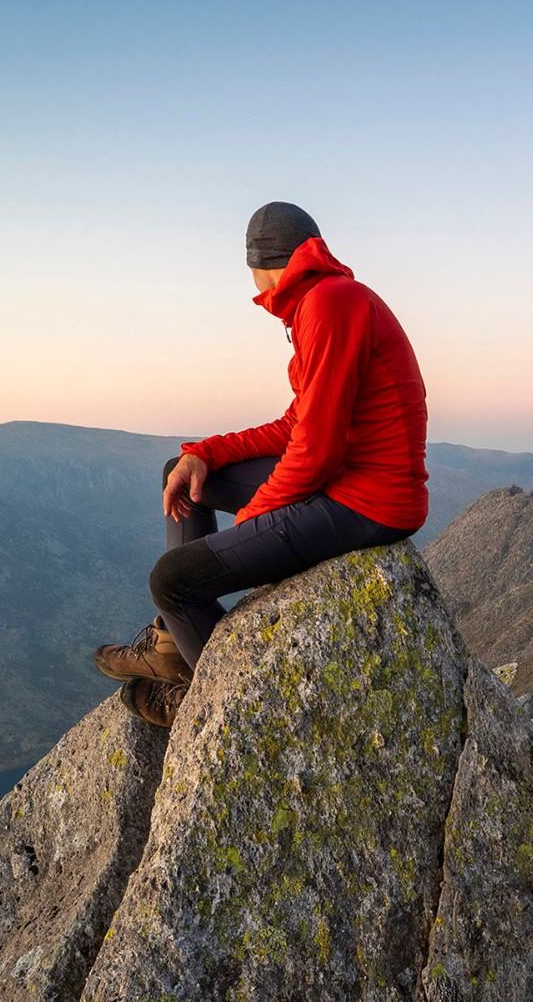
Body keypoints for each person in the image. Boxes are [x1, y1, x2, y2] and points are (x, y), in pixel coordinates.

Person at [94, 201, 429, 727]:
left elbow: (315, 452)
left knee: (173, 581)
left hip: (366, 503)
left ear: (260, 263)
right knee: (182, 477)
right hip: (351, 483)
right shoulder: (325, 302)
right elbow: (298, 423)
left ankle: (214, 702)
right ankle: (171, 648)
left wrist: (254, 526)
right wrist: (204, 452)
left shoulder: (328, 305)